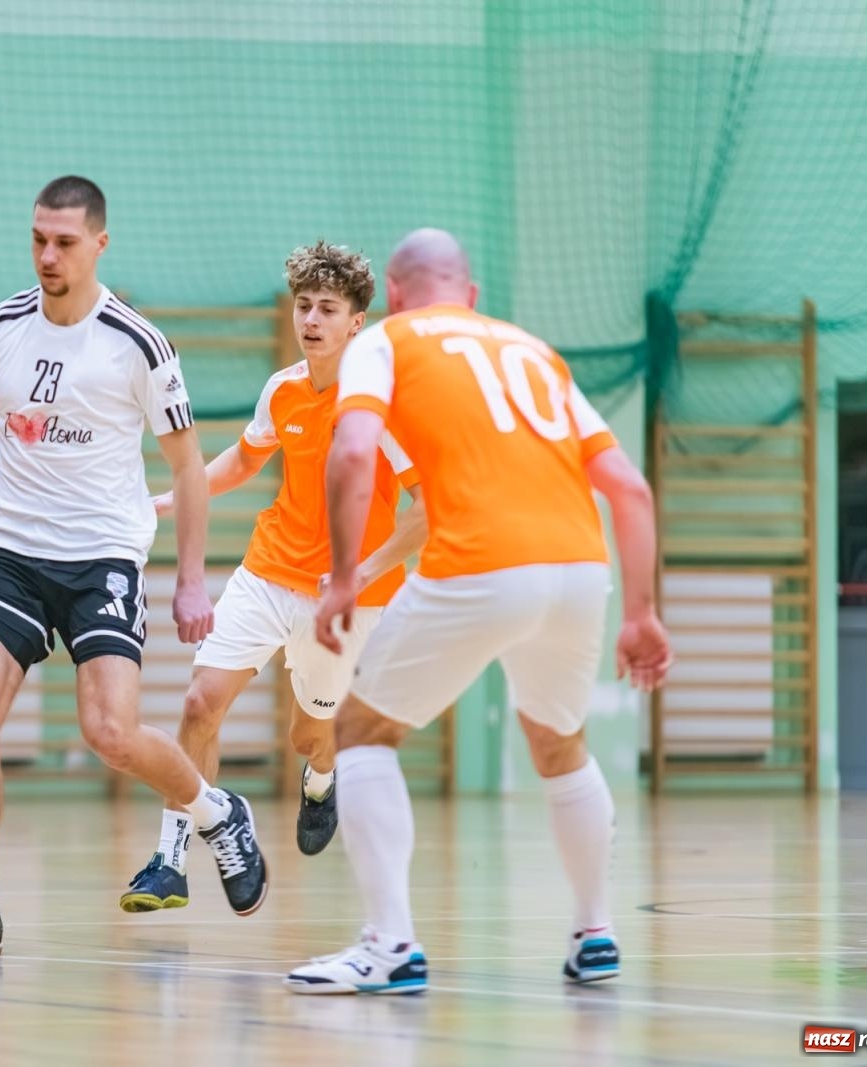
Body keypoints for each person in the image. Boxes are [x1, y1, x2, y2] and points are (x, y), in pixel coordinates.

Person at [285, 229, 672, 995]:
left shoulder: (387, 341)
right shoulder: (535, 351)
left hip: (481, 563)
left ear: (392, 293)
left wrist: (338, 578)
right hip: (577, 569)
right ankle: (596, 930)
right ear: (471, 294)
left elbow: (355, 450)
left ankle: (390, 943)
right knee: (560, 744)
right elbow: (629, 488)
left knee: (361, 731)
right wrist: (643, 614)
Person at [0, 176, 268, 958]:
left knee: (109, 730)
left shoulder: (137, 344)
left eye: (64, 242)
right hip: (11, 552)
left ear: (99, 244)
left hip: (103, 554)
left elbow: (188, 468)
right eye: (38, 238)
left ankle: (215, 812)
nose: (47, 254)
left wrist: (192, 577)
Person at [120, 242, 426, 912]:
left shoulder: (381, 408)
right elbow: (243, 459)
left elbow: (428, 509)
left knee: (309, 736)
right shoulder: (283, 388)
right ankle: (170, 857)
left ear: (356, 322)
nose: (311, 319)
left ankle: (322, 777)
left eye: (328, 308)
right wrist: (168, 500)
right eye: (304, 305)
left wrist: (358, 572)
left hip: (345, 598)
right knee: (201, 702)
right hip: (268, 570)